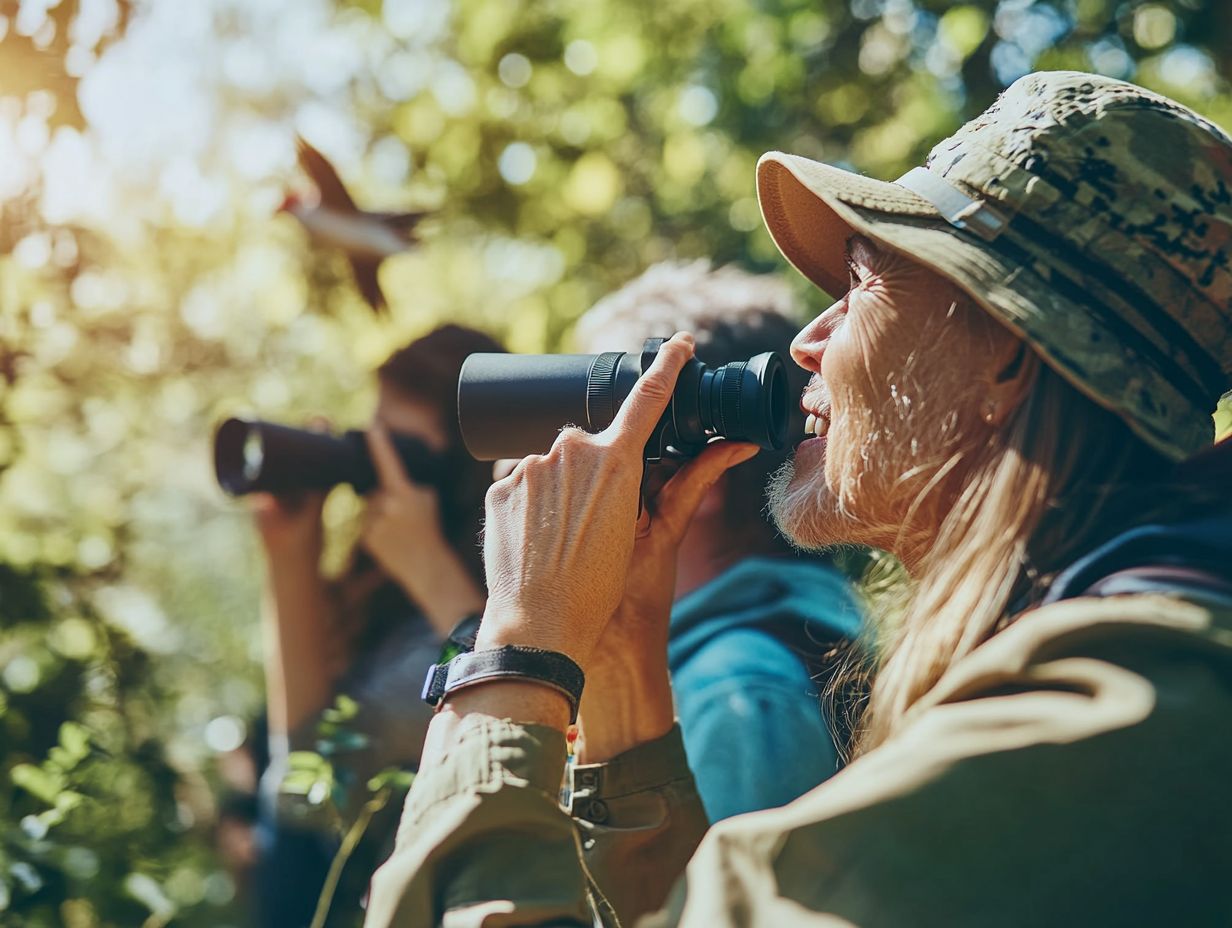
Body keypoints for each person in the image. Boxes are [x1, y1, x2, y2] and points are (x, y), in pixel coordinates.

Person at [364, 71, 1232, 927]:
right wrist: (624, 668)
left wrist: (518, 654)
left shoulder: (1103, 720)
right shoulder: (1112, 670)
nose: (810, 340)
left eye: (863, 282)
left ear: (1010, 350)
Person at [571, 262, 861, 824]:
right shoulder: (786, 641)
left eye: (612, 433)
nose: (576, 455)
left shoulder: (737, 695)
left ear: (699, 473)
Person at [250, 324, 501, 927]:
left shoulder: (489, 609)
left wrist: (432, 572)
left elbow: (308, 793)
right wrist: (291, 558)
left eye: (405, 453)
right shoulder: (391, 607)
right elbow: (303, 775)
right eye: (371, 441)